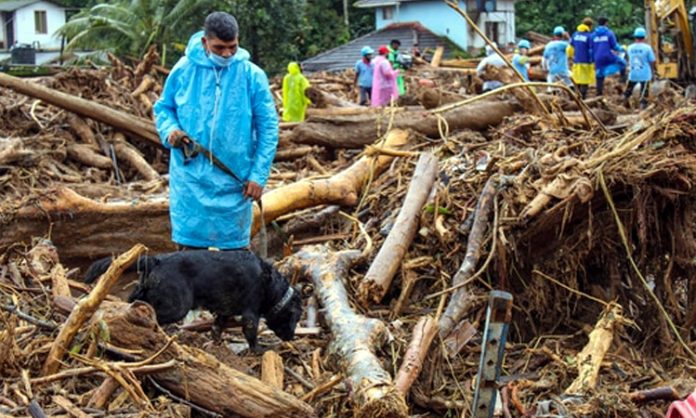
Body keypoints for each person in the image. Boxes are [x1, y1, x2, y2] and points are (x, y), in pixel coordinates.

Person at [153, 11, 278, 250]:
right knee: (190, 261)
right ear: (204, 42)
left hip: (235, 181)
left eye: (232, 47)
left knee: (236, 261)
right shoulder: (184, 70)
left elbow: (268, 128)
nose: (227, 54)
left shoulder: (252, 76)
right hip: (191, 181)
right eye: (219, 47)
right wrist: (170, 130)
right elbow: (164, 108)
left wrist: (258, 175)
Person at [592, 16, 626, 96]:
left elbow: (591, 47)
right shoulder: (609, 33)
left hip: (597, 57)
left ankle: (599, 93)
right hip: (607, 56)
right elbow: (614, 46)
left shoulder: (593, 35)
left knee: (599, 74)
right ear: (606, 23)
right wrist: (622, 49)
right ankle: (622, 79)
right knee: (623, 63)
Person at [624, 27, 656, 109]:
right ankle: (642, 109)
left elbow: (627, 59)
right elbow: (652, 61)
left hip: (633, 73)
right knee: (644, 93)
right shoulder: (647, 48)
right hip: (645, 74)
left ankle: (625, 104)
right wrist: (652, 72)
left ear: (635, 37)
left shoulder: (630, 47)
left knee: (628, 90)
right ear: (644, 37)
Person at [569, 17, 596, 99]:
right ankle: (582, 99)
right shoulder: (590, 36)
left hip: (576, 61)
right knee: (585, 81)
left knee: (577, 79)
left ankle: (574, 97)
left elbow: (570, 48)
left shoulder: (575, 34)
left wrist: (571, 57)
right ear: (590, 26)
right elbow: (591, 50)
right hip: (586, 62)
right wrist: (593, 61)